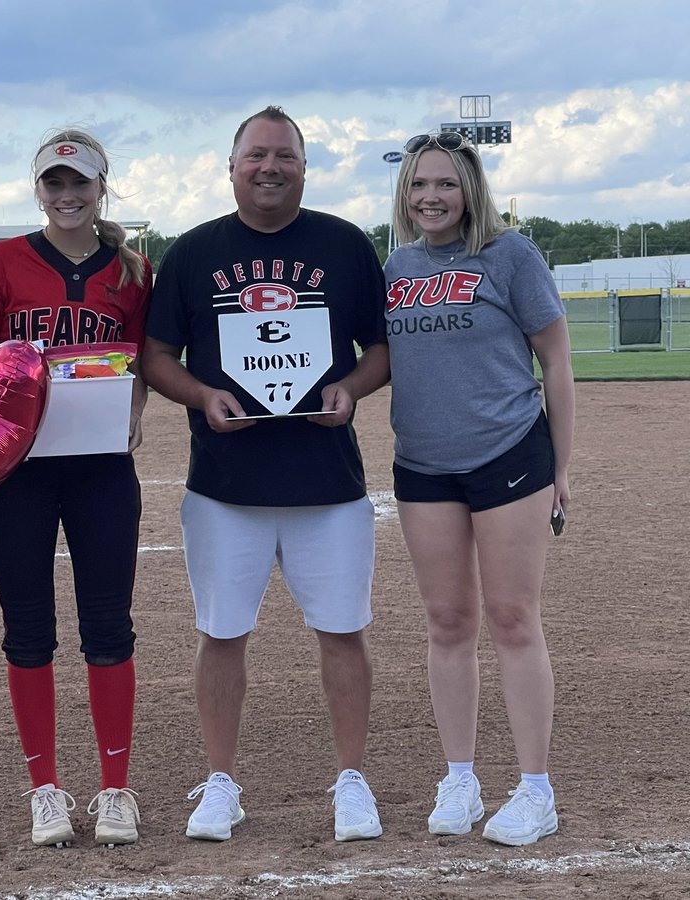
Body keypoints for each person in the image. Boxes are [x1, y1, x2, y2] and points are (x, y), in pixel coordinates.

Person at [141, 106, 390, 843]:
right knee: (222, 634)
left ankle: (351, 779)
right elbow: (156, 356)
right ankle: (221, 781)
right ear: (232, 166)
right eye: (256, 155)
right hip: (225, 485)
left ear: (305, 167)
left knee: (343, 632)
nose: (270, 167)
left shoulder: (344, 245)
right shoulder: (194, 252)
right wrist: (202, 394)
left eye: (285, 155)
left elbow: (379, 348)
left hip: (328, 482)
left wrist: (353, 386)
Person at [0, 129, 152, 848]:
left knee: (109, 627)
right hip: (19, 474)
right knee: (29, 630)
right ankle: (45, 789)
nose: (67, 196)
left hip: (100, 468)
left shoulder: (132, 270)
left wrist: (132, 412)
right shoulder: (1, 262)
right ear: (36, 188)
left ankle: (114, 787)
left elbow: (138, 362)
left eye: (80, 183)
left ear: (103, 187)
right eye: (54, 183)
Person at [383, 131, 574, 846]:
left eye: (446, 184)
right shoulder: (397, 263)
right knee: (447, 623)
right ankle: (459, 779)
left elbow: (556, 361)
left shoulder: (511, 255)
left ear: (471, 190)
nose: (431, 196)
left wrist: (564, 465)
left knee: (513, 617)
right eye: (419, 184)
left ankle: (535, 790)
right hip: (424, 465)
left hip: (509, 456)